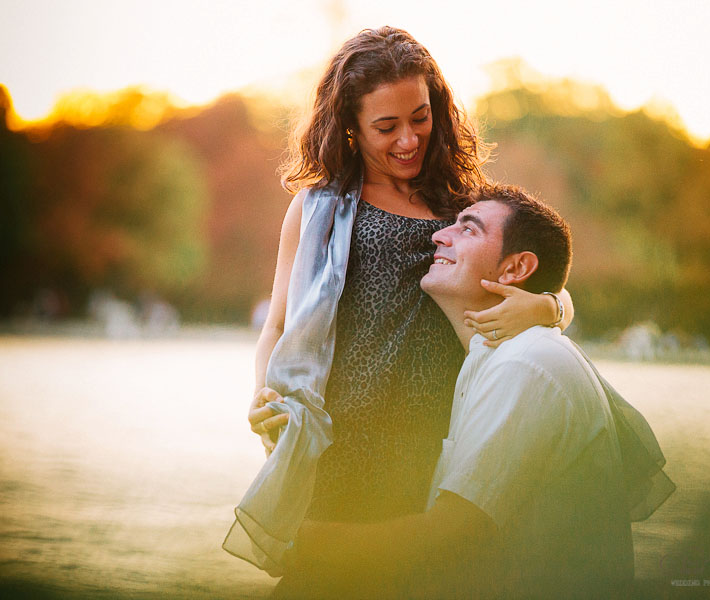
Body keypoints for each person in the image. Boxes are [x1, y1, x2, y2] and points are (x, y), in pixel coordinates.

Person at [225, 26, 573, 580]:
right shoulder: (318, 208)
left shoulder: (463, 205)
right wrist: (261, 393)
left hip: (431, 444)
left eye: (420, 117)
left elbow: (538, 276)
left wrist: (550, 309)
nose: (408, 139)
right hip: (335, 444)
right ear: (350, 126)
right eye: (386, 127)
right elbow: (280, 323)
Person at [290, 184, 674, 599]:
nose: (438, 236)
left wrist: (312, 543)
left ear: (514, 270)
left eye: (468, 230)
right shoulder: (488, 359)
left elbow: (453, 534)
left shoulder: (526, 363)